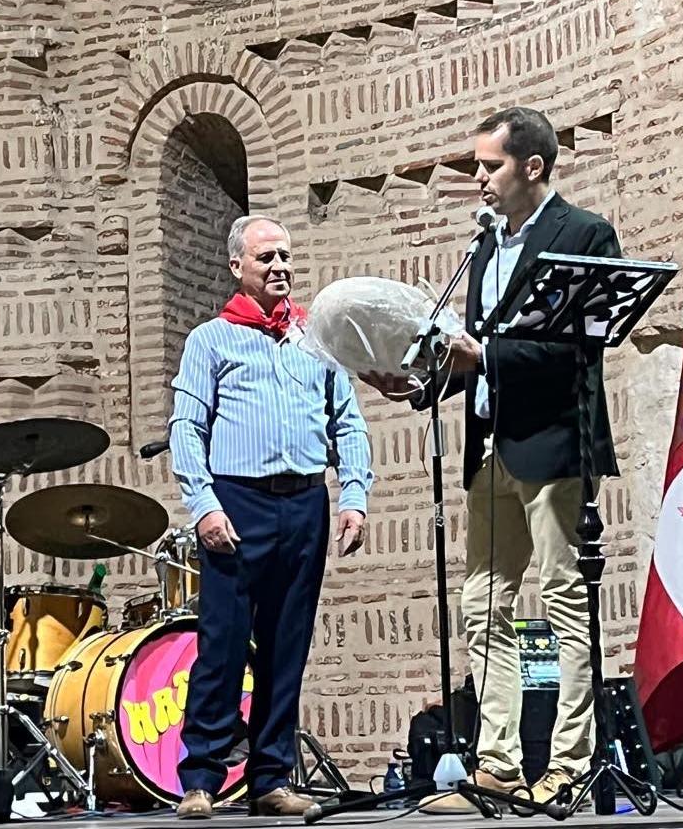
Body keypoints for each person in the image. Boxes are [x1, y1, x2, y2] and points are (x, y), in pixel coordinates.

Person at [364, 107, 620, 810]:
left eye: (489, 165)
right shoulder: (484, 248)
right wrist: (419, 383)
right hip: (489, 448)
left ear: (532, 166)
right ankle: (498, 763)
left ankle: (568, 763)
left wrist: (486, 354)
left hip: (553, 444)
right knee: (483, 607)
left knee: (565, 600)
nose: (476, 178)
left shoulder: (585, 232)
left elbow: (579, 345)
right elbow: (473, 355)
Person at [170, 215, 373, 818]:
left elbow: (349, 423)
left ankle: (272, 776)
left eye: (285, 255)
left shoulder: (320, 337)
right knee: (224, 644)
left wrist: (354, 495)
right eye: (266, 258)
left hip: (305, 501)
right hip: (238, 503)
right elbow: (186, 429)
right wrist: (203, 505)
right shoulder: (210, 340)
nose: (280, 266)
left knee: (289, 645)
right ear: (238, 267)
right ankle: (201, 777)